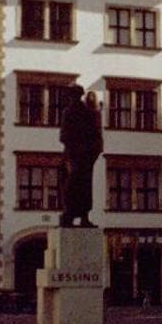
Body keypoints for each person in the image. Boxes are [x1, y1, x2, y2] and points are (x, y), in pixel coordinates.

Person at [58, 90, 104, 227]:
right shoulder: (89, 112)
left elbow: (63, 136)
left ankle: (70, 215)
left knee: (72, 183)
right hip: (86, 155)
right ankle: (83, 216)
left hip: (75, 154)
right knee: (85, 185)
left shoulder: (68, 112)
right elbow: (96, 134)